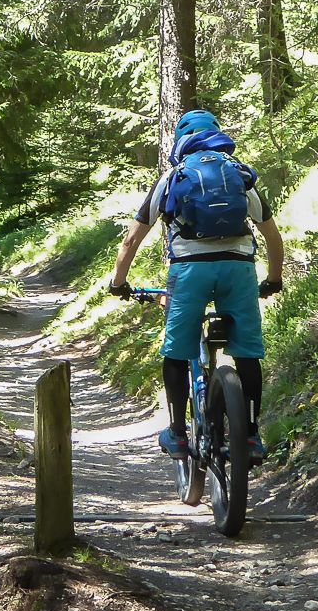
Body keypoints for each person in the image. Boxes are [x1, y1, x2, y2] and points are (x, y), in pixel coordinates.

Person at [108, 109, 284, 461]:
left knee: (176, 349)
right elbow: (273, 237)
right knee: (247, 352)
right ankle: (249, 436)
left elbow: (130, 240)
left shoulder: (173, 177)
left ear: (181, 141)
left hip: (189, 273)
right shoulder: (239, 175)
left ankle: (176, 433)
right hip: (239, 271)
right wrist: (273, 279)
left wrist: (119, 283)